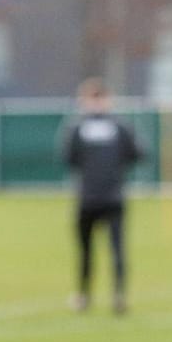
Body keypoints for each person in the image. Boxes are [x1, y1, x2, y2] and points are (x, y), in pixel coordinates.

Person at [60, 77, 144, 314]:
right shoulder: (120, 126)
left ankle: (88, 296)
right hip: (109, 196)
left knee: (93, 250)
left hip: (91, 197)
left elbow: (69, 158)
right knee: (110, 249)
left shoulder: (78, 127)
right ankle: (114, 296)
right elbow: (138, 153)